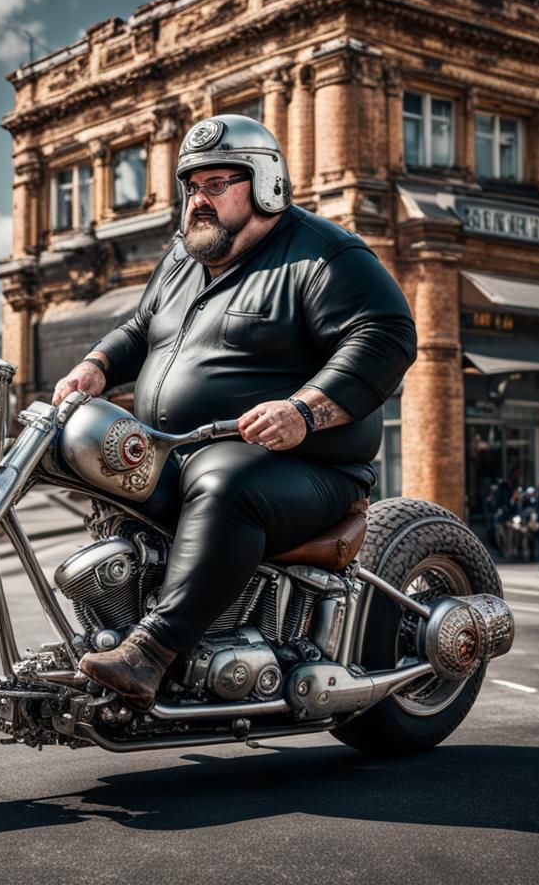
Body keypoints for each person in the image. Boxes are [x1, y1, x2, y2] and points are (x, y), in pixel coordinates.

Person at [52, 114, 417, 711]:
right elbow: (143, 330)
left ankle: (152, 651)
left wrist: (304, 410)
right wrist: (94, 366)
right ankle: (111, 624)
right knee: (101, 467)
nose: (200, 199)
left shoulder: (321, 254)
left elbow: (385, 336)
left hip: (306, 467)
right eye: (193, 186)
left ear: (267, 182)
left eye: (218, 183)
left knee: (223, 480)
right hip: (181, 452)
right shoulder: (183, 259)